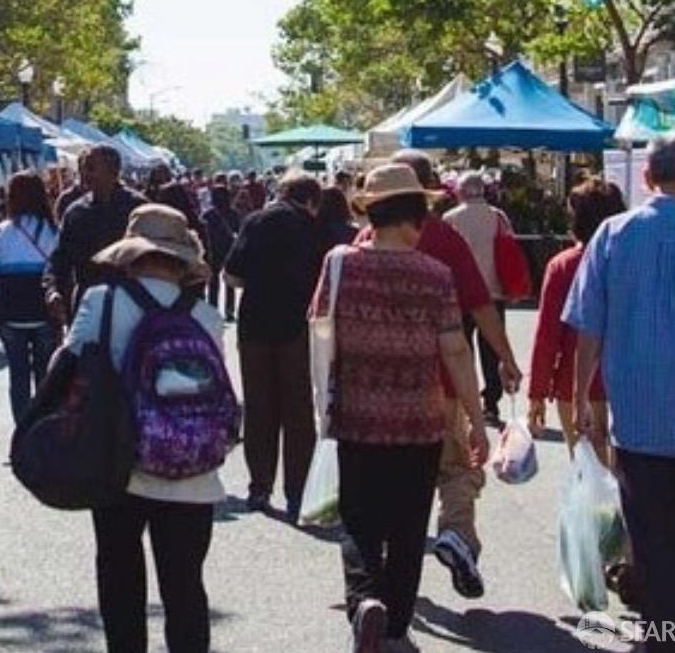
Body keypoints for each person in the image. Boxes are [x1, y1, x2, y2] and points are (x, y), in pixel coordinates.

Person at [565, 135, 675, 650]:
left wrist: (578, 398)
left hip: (637, 417)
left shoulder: (612, 236)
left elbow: (588, 325)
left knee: (651, 530)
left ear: (646, 178)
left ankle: (672, 629)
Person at [315, 164, 488, 653]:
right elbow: (455, 351)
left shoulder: (339, 264)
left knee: (359, 520)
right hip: (421, 420)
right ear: (414, 216)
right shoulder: (435, 275)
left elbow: (320, 336)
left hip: (357, 416)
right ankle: (394, 625)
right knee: (409, 526)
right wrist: (475, 421)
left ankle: (366, 601)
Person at [358, 151, 521, 600]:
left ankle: (383, 569)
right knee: (458, 467)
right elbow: (479, 304)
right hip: (442, 383)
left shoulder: (363, 242)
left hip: (377, 388)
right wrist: (504, 356)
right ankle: (456, 533)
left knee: (390, 479)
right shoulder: (443, 238)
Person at [65, 204, 227, 653]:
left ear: (131, 254)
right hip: (192, 474)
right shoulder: (206, 317)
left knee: (119, 581)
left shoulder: (101, 302)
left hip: (119, 464)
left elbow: (72, 366)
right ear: (181, 261)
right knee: (185, 589)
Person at [224, 171, 325, 521]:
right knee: (298, 411)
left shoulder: (255, 221)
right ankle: (297, 492)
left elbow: (231, 276)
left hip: (254, 324)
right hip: (297, 325)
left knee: (259, 407)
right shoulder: (312, 225)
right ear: (311, 200)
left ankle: (259, 486)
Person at [528, 177, 621, 461]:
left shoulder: (564, 265)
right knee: (625, 473)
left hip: (574, 381)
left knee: (587, 472)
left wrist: (538, 391)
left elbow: (548, 334)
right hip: (626, 380)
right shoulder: (630, 260)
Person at [0, 172, 60, 422]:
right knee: (45, 375)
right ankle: (44, 430)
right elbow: (60, 267)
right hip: (44, 311)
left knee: (18, 376)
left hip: (10, 312)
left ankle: (22, 434)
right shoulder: (52, 230)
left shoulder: (2, 231)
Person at [442, 171, 517, 425]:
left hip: (459, 294)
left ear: (460, 192)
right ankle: (492, 404)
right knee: (492, 351)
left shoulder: (450, 219)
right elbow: (509, 252)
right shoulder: (499, 217)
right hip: (493, 292)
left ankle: (467, 399)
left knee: (463, 350)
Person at [45, 144, 146, 322]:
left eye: (91, 167)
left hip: (131, 304)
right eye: (83, 167)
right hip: (87, 304)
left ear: (113, 171)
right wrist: (52, 290)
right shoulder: (75, 212)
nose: (84, 173)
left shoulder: (138, 208)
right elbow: (59, 258)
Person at [200, 184, 239, 320]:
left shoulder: (208, 214)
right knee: (229, 281)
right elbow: (238, 232)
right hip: (230, 250)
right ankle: (229, 311)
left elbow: (203, 233)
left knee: (213, 281)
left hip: (213, 250)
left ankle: (213, 308)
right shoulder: (233, 213)